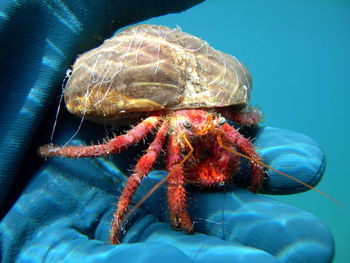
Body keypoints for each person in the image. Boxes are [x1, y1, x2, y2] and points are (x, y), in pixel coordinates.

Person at [0, 1, 333, 262]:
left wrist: (251, 161)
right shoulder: (162, 122)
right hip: (150, 101)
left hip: (187, 100)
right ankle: (140, 216)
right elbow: (119, 143)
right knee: (142, 160)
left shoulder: (213, 118)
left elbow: (243, 123)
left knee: (226, 137)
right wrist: (56, 149)